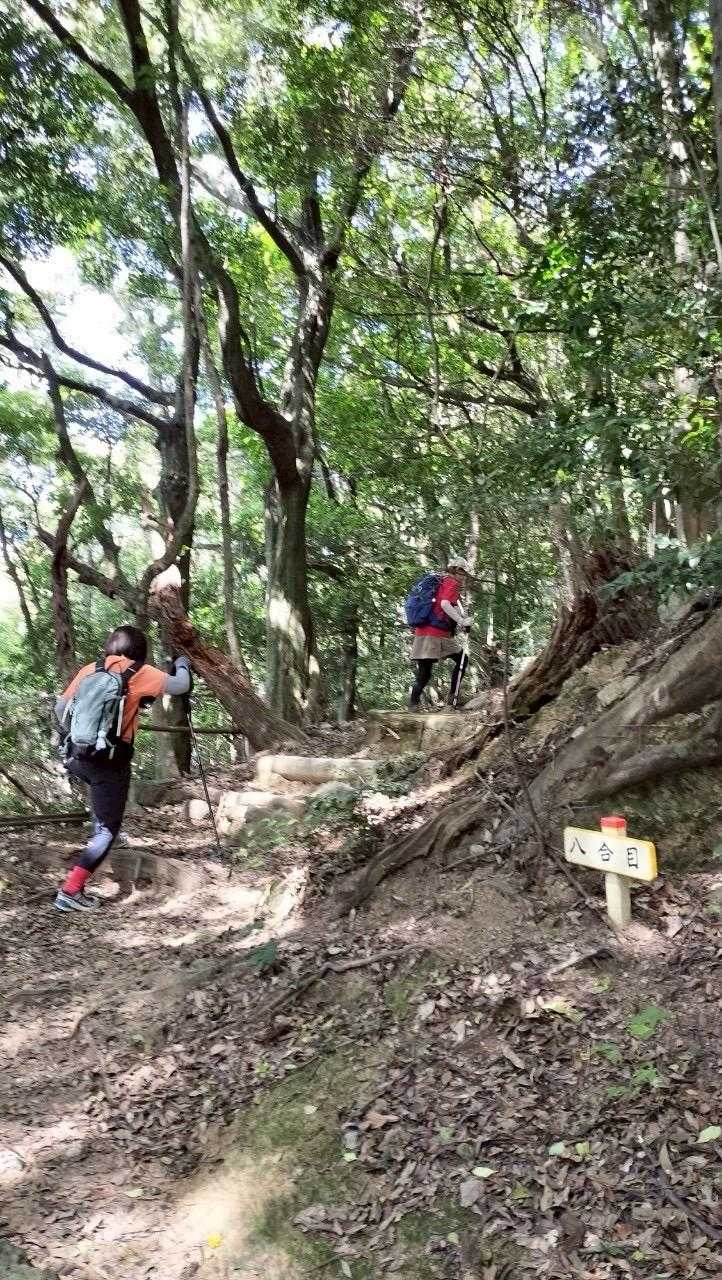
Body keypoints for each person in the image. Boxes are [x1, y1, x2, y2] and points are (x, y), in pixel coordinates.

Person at [53, 625, 192, 912]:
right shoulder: (140, 671)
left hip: (78, 756)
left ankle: (108, 839)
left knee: (103, 805)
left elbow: (60, 709)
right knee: (106, 830)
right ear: (140, 651)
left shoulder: (90, 669)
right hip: (109, 761)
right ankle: (70, 891)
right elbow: (181, 686)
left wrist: (82, 736)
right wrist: (182, 664)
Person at [408, 557, 473, 711]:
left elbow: (449, 607)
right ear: (456, 571)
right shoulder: (451, 582)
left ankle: (414, 703)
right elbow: (444, 604)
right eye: (462, 573)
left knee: (425, 673)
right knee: (461, 660)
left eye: (465, 574)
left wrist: (462, 621)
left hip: (426, 633)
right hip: (435, 634)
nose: (464, 577)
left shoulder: (442, 582)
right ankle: (452, 698)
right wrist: (462, 621)